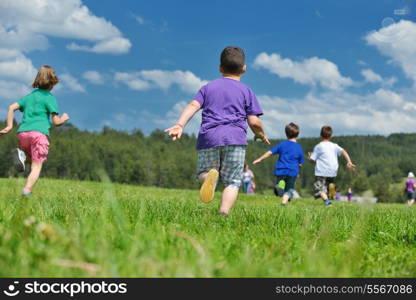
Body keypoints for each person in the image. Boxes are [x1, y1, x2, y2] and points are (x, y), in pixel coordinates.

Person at [165, 46, 269, 216]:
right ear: (244, 69)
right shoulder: (247, 91)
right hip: (235, 139)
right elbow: (254, 121)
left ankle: (208, 179)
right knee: (233, 181)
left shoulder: (208, 88)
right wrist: (260, 134)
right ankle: (223, 212)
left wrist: (180, 125)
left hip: (210, 138)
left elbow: (193, 105)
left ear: (220, 68)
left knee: (204, 172)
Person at [0, 65, 69, 196]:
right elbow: (56, 122)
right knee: (37, 166)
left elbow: (11, 107)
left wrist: (9, 126)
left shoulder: (29, 96)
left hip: (23, 134)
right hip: (39, 135)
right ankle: (27, 190)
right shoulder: (50, 98)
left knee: (32, 159)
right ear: (52, 83)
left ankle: (23, 156)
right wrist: (64, 118)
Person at [253, 123, 304, 206]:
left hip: (281, 170)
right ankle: (284, 200)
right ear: (297, 134)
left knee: (281, 185)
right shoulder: (299, 147)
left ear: (286, 134)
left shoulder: (282, 145)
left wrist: (259, 159)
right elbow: (300, 164)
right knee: (289, 189)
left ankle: (280, 191)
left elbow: (270, 153)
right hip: (292, 171)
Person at [308, 125, 356, 206]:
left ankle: (327, 202)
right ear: (331, 135)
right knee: (328, 186)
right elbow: (343, 151)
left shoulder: (318, 146)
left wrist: (309, 157)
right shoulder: (334, 145)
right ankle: (331, 189)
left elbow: (312, 160)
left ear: (320, 135)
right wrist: (349, 162)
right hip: (332, 171)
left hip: (321, 172)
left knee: (319, 190)